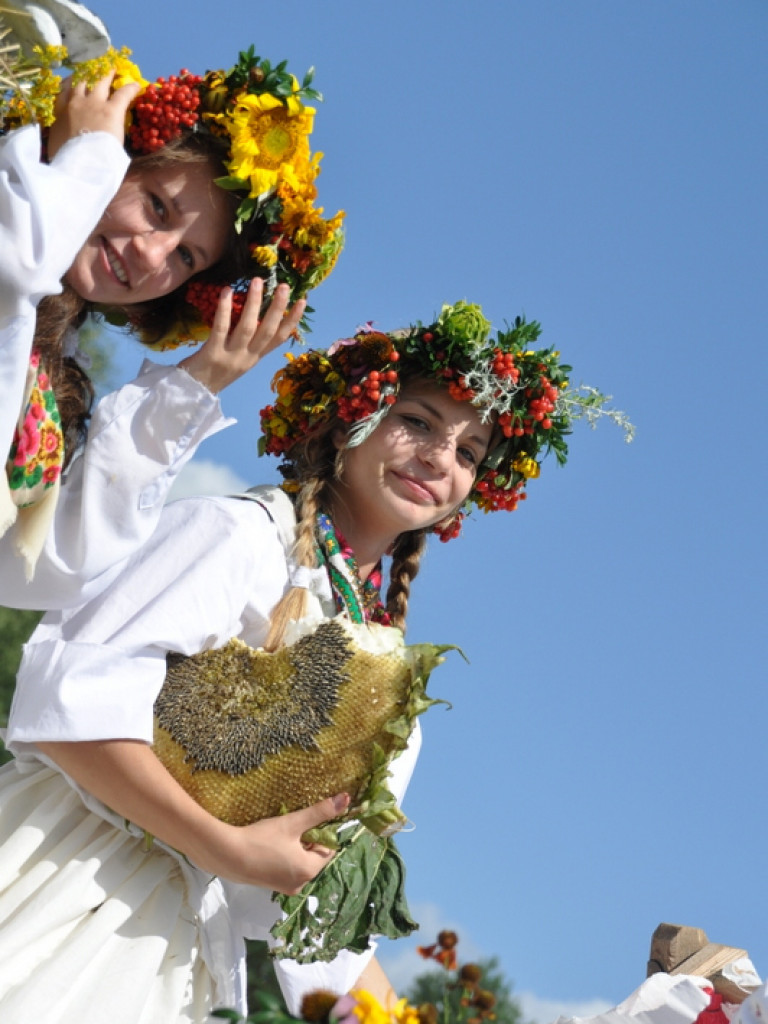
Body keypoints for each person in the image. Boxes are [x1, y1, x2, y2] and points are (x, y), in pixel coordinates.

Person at [0, 300, 626, 1021]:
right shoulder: (236, 535)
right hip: (73, 879)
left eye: (468, 453)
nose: (437, 458)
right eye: (417, 421)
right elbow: (65, 701)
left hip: (179, 953)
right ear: (345, 419)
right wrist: (226, 848)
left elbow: (314, 910)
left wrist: (394, 1012)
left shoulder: (387, 668)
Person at [0, 40, 344, 604]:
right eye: (158, 207)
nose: (154, 256)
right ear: (120, 151)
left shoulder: (46, 373)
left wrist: (195, 385)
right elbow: (16, 263)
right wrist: (84, 159)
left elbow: (41, 568)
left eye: (186, 258)